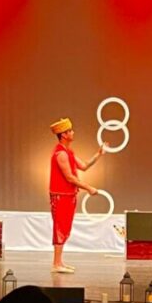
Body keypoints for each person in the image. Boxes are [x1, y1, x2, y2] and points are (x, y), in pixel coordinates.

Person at [49, 116, 105, 273]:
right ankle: (56, 264)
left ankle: (59, 262)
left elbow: (84, 166)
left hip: (68, 196)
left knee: (65, 228)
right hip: (60, 196)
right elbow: (70, 177)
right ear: (64, 135)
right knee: (60, 228)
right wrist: (89, 187)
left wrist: (98, 154)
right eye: (70, 131)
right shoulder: (61, 154)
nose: (73, 132)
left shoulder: (69, 152)